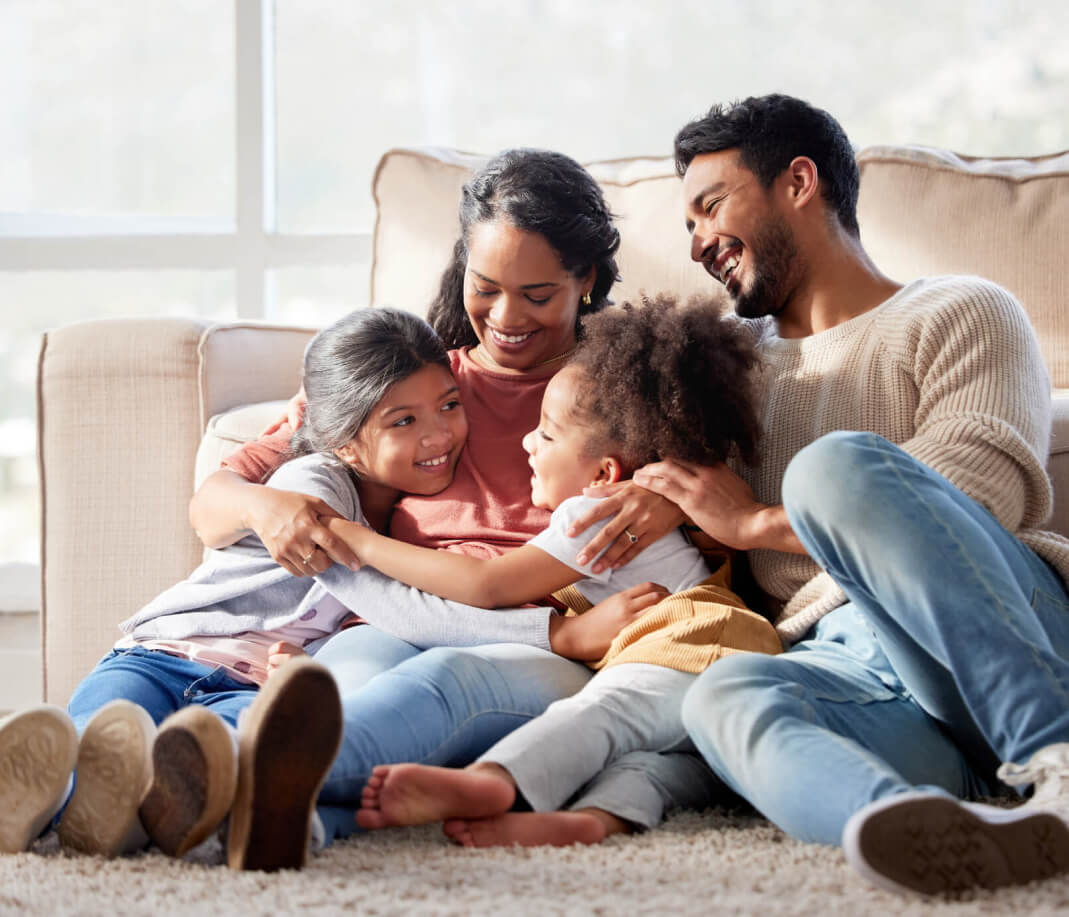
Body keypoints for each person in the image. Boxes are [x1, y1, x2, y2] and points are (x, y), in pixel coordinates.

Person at [572, 93, 1069, 897]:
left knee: (831, 469)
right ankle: (922, 832)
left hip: (1004, 630)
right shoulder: (721, 366)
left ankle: (1057, 757)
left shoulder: (961, 309)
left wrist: (756, 519)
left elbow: (982, 485)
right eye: (687, 225)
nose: (696, 242)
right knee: (723, 696)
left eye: (708, 207)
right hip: (849, 666)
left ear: (798, 181)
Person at [186, 149, 717, 851]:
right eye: (486, 285)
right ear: (460, 266)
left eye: (536, 294)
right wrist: (265, 509)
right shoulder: (413, 378)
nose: (505, 316)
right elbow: (220, 497)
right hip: (396, 614)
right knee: (343, 686)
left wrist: (667, 497)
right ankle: (283, 820)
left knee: (443, 682)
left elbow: (722, 496)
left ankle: (223, 783)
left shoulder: (618, 391)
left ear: (584, 280)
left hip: (534, 638)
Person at [0, 306, 555, 868]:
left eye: (449, 405)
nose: (439, 434)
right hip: (158, 657)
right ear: (344, 443)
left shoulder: (415, 523)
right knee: (97, 739)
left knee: (200, 773)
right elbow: (397, 607)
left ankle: (107, 822)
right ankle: (46, 797)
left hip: (252, 689)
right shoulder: (311, 489)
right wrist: (554, 634)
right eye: (403, 422)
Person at [331, 296, 781, 848]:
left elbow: (485, 585)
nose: (526, 441)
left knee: (603, 713)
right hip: (719, 658)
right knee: (656, 761)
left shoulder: (591, 513)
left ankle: (493, 782)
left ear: (604, 471)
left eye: (544, 435)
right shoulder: (629, 502)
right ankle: (591, 821)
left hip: (695, 640)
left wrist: (363, 542)